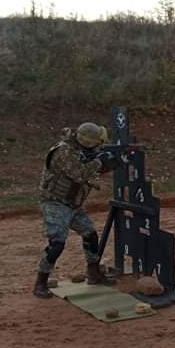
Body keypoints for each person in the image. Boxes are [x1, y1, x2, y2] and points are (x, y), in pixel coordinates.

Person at [33, 122, 121, 298]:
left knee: (90, 234)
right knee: (57, 243)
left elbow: (89, 170)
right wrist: (99, 162)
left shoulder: (79, 150)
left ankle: (94, 273)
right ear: (88, 142)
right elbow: (80, 173)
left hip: (72, 203)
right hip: (55, 202)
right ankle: (40, 283)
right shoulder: (64, 151)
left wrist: (108, 162)